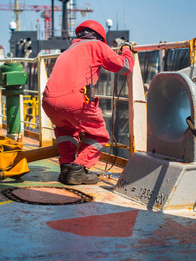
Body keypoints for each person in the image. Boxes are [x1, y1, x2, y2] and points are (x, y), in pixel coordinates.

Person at [42, 20, 135, 185]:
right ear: (99, 37)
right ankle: (78, 169)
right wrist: (126, 48)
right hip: (74, 99)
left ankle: (65, 168)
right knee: (98, 135)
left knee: (66, 131)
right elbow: (125, 67)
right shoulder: (97, 46)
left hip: (48, 100)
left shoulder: (66, 52)